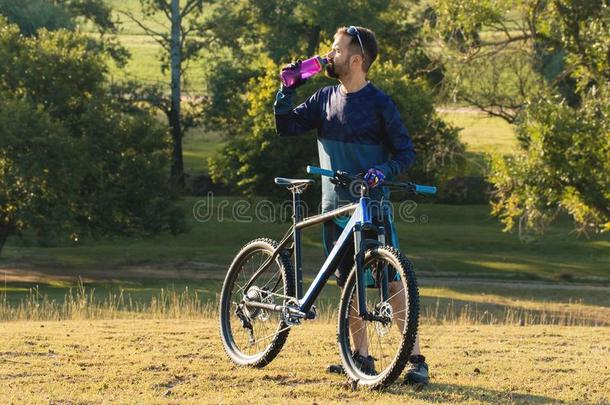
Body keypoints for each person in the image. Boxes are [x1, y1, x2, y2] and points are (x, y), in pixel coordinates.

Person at [273, 25, 429, 385]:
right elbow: (286, 127)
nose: (330, 55)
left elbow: (405, 152)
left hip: (372, 209)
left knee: (392, 282)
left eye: (337, 50)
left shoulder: (380, 104)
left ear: (357, 59)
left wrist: (383, 169)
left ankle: (416, 359)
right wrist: (286, 90)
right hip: (335, 209)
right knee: (348, 285)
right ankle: (361, 359)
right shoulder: (324, 98)